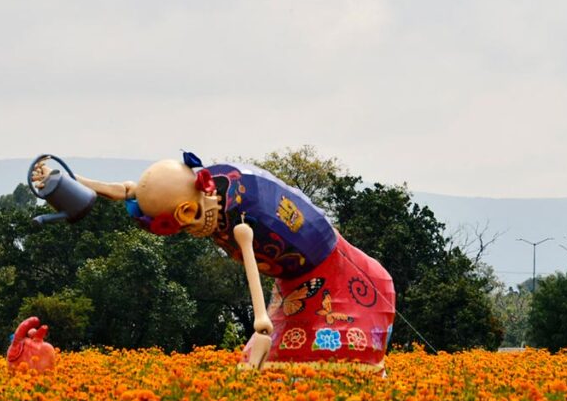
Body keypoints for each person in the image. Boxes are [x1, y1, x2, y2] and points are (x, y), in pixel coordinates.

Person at [32, 152, 395, 368]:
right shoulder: (200, 192)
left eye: (180, 222)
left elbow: (254, 281)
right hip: (295, 291)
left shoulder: (245, 212)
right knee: (282, 373)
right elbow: (128, 191)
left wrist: (262, 331)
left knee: (328, 364)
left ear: (189, 208)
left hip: (344, 282)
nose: (186, 231)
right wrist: (68, 179)